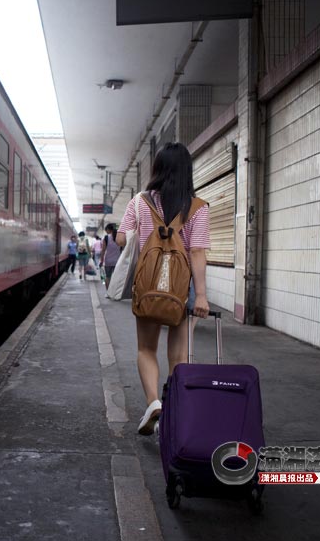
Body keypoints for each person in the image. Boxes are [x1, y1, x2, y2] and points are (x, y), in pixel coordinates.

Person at [117, 142, 210, 436]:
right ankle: (174, 411)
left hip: (147, 286)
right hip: (181, 290)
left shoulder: (139, 201)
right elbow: (197, 253)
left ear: (157, 169)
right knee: (179, 356)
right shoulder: (197, 208)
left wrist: (145, 236)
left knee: (146, 348)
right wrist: (203, 296)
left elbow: (121, 239)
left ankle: (153, 402)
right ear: (187, 171)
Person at [100, 223, 120, 289]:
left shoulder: (106, 238)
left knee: (107, 277)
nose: (106, 232)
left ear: (108, 229)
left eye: (106, 230)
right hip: (117, 261)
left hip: (108, 261)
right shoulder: (119, 237)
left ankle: (108, 292)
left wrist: (101, 260)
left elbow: (103, 250)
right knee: (116, 277)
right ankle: (114, 292)